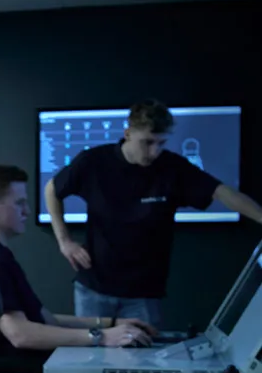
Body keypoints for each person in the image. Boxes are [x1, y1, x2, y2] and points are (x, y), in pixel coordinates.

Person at [44, 99, 262, 328]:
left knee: (143, 359)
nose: (154, 152)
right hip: (94, 287)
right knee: (92, 358)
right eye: (147, 142)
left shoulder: (173, 168)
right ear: (128, 133)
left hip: (144, 293)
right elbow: (52, 189)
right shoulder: (93, 162)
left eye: (161, 143)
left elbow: (222, 192)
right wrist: (64, 241)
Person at [0, 164, 158, 359]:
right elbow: (19, 334)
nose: (27, 211)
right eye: (19, 203)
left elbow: (48, 319)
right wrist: (101, 337)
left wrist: (112, 323)